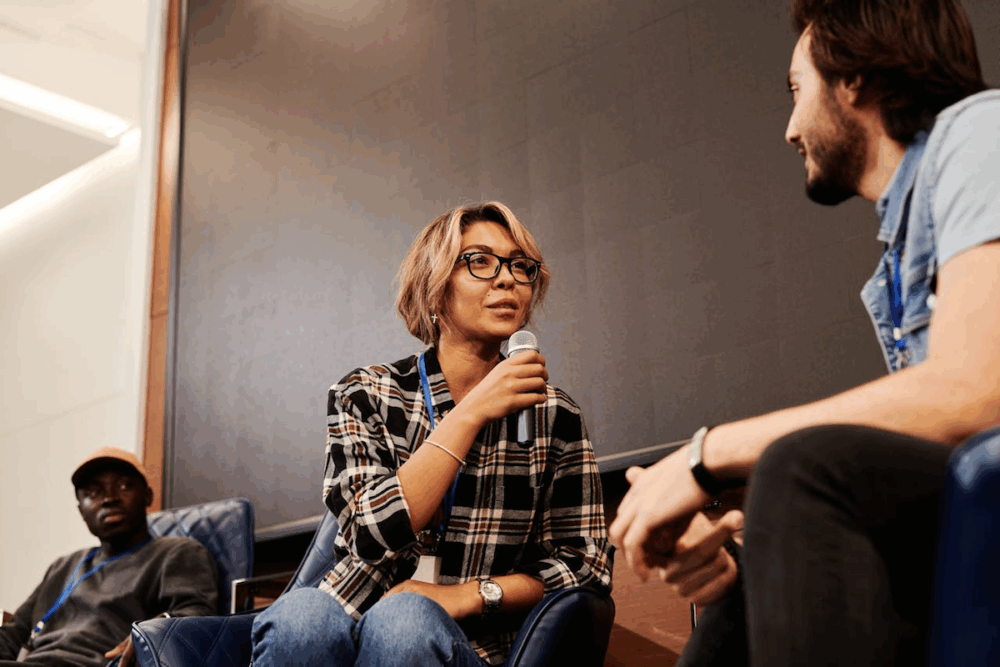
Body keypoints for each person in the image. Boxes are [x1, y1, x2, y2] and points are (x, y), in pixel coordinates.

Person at [609, 0, 999, 664]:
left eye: (797, 89)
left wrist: (705, 457)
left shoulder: (982, 132)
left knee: (805, 468)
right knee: (748, 586)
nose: (791, 129)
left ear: (856, 77)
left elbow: (977, 391)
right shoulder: (899, 264)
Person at [250, 202, 613, 667]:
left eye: (520, 266)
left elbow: (586, 567)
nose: (507, 279)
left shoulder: (554, 416)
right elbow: (370, 531)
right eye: (479, 261)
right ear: (435, 288)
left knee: (405, 621)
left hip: (467, 643)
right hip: (347, 618)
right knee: (301, 616)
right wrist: (470, 413)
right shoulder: (366, 394)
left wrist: (469, 596)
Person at [0, 447, 218, 667]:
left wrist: (150, 632)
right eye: (93, 492)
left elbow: (198, 615)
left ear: (148, 495)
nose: (109, 499)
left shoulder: (177, 552)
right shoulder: (62, 566)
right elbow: (13, 634)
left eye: (123, 486)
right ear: (81, 512)